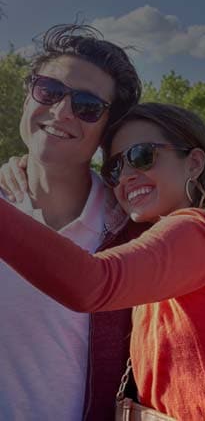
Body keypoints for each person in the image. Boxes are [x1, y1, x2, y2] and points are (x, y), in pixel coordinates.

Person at [0, 102, 205, 420]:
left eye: (142, 156)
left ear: (194, 163)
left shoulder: (199, 231)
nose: (126, 176)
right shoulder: (161, 241)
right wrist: (32, 168)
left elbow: (91, 283)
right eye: (113, 169)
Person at [0, 24, 144, 421]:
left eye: (87, 106)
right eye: (48, 90)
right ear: (28, 95)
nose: (61, 111)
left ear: (106, 130)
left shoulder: (130, 235)